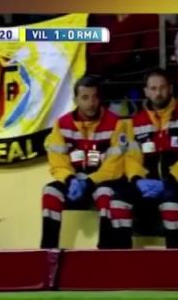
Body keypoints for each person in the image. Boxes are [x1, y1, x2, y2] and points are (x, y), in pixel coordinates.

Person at [40, 75, 132, 249]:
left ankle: (104, 250)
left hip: (101, 181)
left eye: (95, 97)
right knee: (50, 191)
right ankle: (48, 251)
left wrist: (89, 181)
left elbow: (114, 165)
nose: (91, 103)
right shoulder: (62, 124)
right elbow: (57, 162)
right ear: (76, 100)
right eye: (85, 97)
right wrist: (70, 179)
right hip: (73, 182)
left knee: (106, 193)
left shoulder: (115, 123)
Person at [126, 68, 178, 247]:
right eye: (153, 88)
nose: (158, 93)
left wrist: (170, 181)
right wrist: (137, 179)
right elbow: (131, 157)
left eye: (162, 87)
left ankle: (176, 254)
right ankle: (116, 256)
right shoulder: (135, 122)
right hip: (146, 185)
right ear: (146, 92)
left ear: (170, 89)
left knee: (171, 203)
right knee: (117, 201)